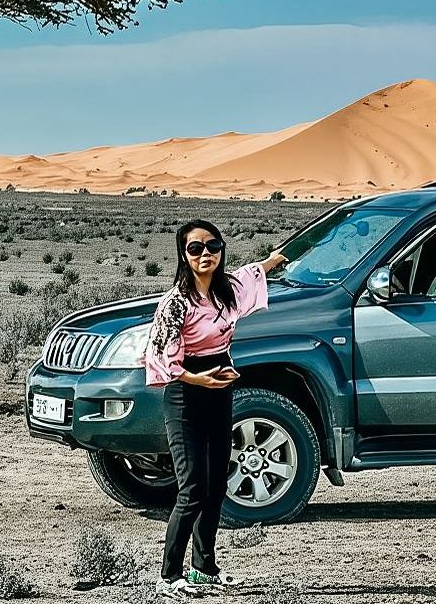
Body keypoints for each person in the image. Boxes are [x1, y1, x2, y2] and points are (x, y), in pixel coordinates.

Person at [145, 219, 288, 599]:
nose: (205, 254)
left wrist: (277, 259)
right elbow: (160, 356)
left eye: (213, 246)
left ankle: (204, 569)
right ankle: (169, 576)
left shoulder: (229, 291)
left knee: (216, 485)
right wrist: (197, 378)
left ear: (222, 249)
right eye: (195, 248)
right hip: (185, 397)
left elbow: (256, 271)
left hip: (219, 394)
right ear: (184, 255)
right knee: (192, 488)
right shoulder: (176, 302)